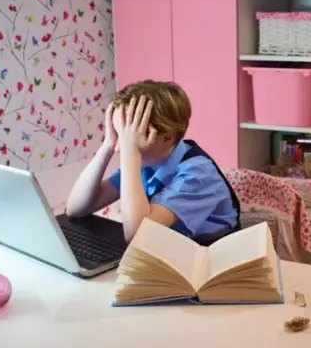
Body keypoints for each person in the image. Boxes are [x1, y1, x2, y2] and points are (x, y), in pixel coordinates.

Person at [65, 80, 240, 244]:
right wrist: (107, 145)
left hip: (210, 250)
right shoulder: (147, 162)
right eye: (119, 133)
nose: (120, 149)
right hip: (172, 244)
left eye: (129, 137)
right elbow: (75, 209)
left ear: (167, 139)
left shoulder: (197, 174)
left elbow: (137, 236)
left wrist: (131, 152)